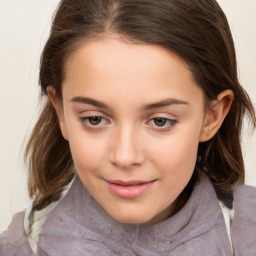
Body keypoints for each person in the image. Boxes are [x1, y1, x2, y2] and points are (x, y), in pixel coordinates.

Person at [1, 0, 256, 255]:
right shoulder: (22, 247)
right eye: (94, 119)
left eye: (160, 121)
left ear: (212, 116)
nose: (125, 156)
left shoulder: (248, 231)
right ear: (61, 112)